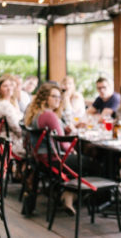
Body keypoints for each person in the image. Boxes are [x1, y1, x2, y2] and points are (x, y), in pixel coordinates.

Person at [24, 82, 82, 216]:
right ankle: (70, 193)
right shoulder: (49, 115)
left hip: (40, 160)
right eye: (54, 97)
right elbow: (63, 144)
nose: (58, 100)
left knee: (83, 159)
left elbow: (54, 135)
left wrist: (64, 131)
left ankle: (67, 193)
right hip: (55, 160)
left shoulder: (36, 114)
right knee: (92, 162)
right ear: (45, 98)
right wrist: (73, 150)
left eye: (59, 97)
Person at [0, 74, 25, 158]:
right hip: (10, 142)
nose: (9, 88)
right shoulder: (3, 105)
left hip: (9, 140)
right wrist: (28, 135)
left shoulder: (9, 103)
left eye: (10, 85)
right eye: (5, 86)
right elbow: (16, 127)